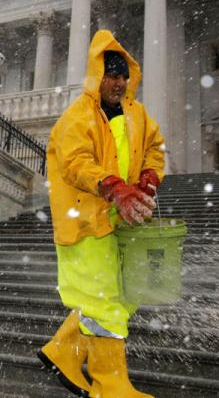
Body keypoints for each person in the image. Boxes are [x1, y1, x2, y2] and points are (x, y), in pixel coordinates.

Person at [37, 30, 165, 397]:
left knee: (127, 294)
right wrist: (114, 187)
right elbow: (76, 162)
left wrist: (148, 178)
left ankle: (64, 351)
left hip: (120, 222)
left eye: (124, 76)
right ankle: (110, 387)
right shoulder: (77, 117)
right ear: (97, 75)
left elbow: (156, 148)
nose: (119, 82)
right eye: (112, 75)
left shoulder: (136, 114)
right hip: (84, 222)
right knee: (101, 302)